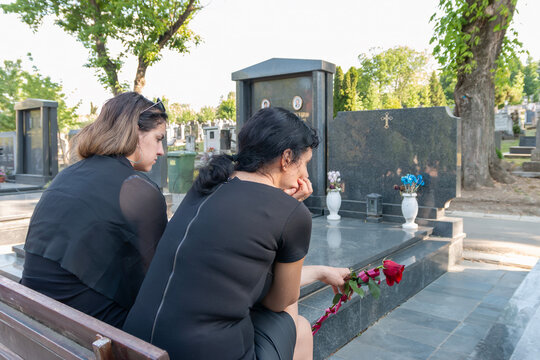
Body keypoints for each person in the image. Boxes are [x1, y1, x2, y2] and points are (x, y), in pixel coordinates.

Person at [123, 107, 349, 360]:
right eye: (304, 164)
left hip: (137, 344)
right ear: (286, 158)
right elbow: (279, 302)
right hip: (204, 352)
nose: (305, 175)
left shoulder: (205, 186)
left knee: (301, 329)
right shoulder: (292, 214)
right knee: (296, 317)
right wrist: (290, 211)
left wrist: (319, 271)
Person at [20, 92, 169, 328]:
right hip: (87, 330)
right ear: (135, 133)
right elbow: (157, 282)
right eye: (158, 138)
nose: (161, 151)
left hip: (34, 317)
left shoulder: (68, 174)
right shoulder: (140, 189)